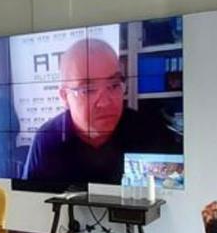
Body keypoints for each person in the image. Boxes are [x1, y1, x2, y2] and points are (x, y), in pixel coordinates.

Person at [22, 38, 180, 185]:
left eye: (113, 85)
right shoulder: (47, 139)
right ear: (65, 96)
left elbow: (175, 197)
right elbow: (31, 204)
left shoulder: (151, 132)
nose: (105, 102)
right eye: (88, 89)